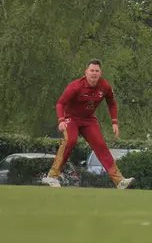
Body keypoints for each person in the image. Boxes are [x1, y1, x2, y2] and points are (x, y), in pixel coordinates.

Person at [41, 60, 134, 189]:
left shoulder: (105, 86)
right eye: (92, 71)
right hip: (71, 118)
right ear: (86, 72)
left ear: (100, 73)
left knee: (101, 145)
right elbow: (60, 103)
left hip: (88, 119)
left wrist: (114, 122)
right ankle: (52, 176)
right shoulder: (76, 86)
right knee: (71, 141)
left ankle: (119, 181)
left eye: (97, 71)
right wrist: (61, 120)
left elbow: (111, 102)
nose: (94, 74)